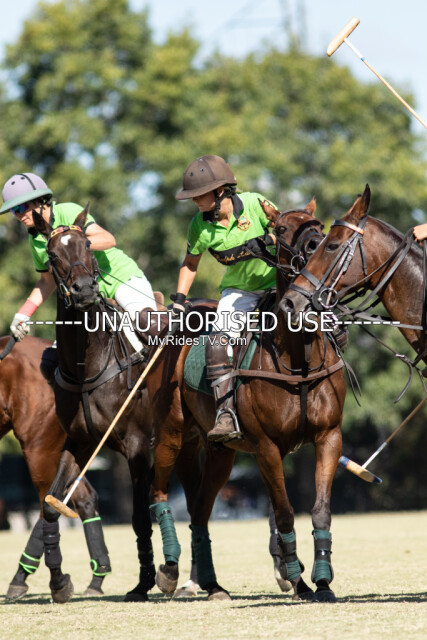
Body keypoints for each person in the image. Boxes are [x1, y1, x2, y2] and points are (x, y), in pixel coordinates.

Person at [0, 172, 156, 381]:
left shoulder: (68, 211)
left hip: (120, 278)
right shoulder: (36, 240)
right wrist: (23, 314)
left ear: (39, 201)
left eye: (20, 208)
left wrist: (74, 246)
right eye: (13, 211)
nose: (18, 215)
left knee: (149, 331)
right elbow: (47, 281)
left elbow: (108, 239)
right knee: (54, 362)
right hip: (84, 296)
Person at [171, 155, 278, 443]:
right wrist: (180, 299)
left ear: (220, 191)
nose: (195, 200)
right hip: (240, 291)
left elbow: (287, 229)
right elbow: (190, 263)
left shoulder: (255, 203)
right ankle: (225, 413)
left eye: (199, 194)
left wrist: (271, 240)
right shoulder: (199, 225)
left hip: (279, 283)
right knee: (218, 342)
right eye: (192, 196)